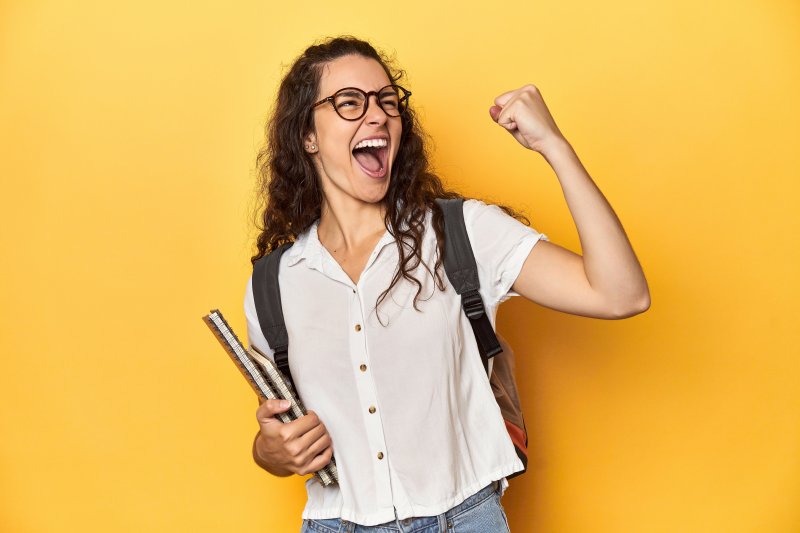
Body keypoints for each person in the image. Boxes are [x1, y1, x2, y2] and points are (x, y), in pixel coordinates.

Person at [244, 36, 650, 533]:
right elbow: (282, 432)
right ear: (307, 134)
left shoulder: (463, 233)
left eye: (387, 101)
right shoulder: (272, 285)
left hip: (464, 519)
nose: (377, 115)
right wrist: (270, 451)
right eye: (350, 102)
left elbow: (621, 294)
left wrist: (554, 147)